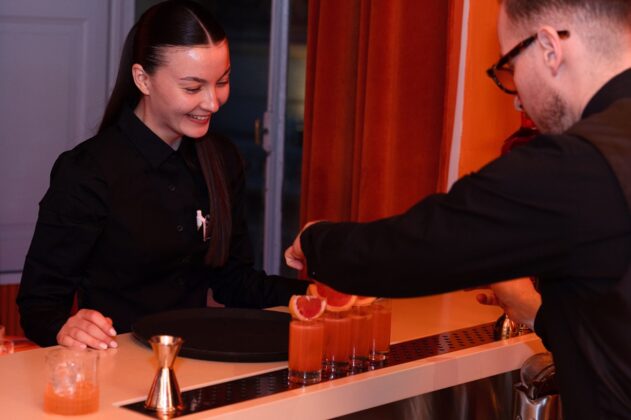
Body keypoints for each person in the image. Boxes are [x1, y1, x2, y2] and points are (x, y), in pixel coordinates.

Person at [285, 0, 631, 417]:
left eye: (510, 67)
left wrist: (315, 240)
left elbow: (416, 247)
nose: (517, 98)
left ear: (548, 48)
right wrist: (539, 315)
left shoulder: (577, 163)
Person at [17, 0, 306, 351]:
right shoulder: (88, 172)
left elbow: (234, 281)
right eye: (192, 88)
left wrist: (313, 293)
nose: (213, 102)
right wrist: (67, 328)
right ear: (143, 79)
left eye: (223, 81)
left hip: (196, 363)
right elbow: (39, 306)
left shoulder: (222, 160)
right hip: (117, 366)